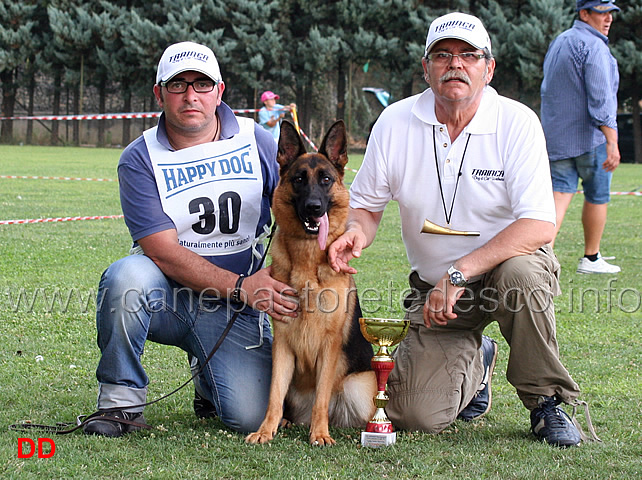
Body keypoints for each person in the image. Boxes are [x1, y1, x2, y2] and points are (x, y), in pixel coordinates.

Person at [328, 12, 587, 447]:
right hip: (436, 295)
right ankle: (478, 362)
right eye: (443, 55)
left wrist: (459, 272)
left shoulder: (517, 121)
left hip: (504, 272)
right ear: (425, 66)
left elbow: (540, 224)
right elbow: (367, 208)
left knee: (520, 276)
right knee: (411, 412)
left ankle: (547, 403)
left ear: (489, 68)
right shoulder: (394, 122)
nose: (456, 64)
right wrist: (355, 231)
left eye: (470, 55)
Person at [83, 41, 298, 438]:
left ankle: (207, 375)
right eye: (177, 85)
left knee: (251, 417)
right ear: (159, 93)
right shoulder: (139, 157)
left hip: (236, 308)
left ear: (220, 91)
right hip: (168, 296)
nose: (190, 96)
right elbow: (161, 251)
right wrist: (241, 286)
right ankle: (120, 405)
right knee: (125, 279)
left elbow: (297, 202)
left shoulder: (258, 141)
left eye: (201, 84)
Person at [541, 0, 621, 274]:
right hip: (591, 139)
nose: (608, 18)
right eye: (601, 12)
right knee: (598, 195)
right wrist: (612, 140)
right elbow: (601, 98)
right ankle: (591, 257)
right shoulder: (594, 46)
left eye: (610, 13)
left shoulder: (560, 41)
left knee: (559, 196)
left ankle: (540, 258)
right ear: (584, 14)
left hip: (558, 138)